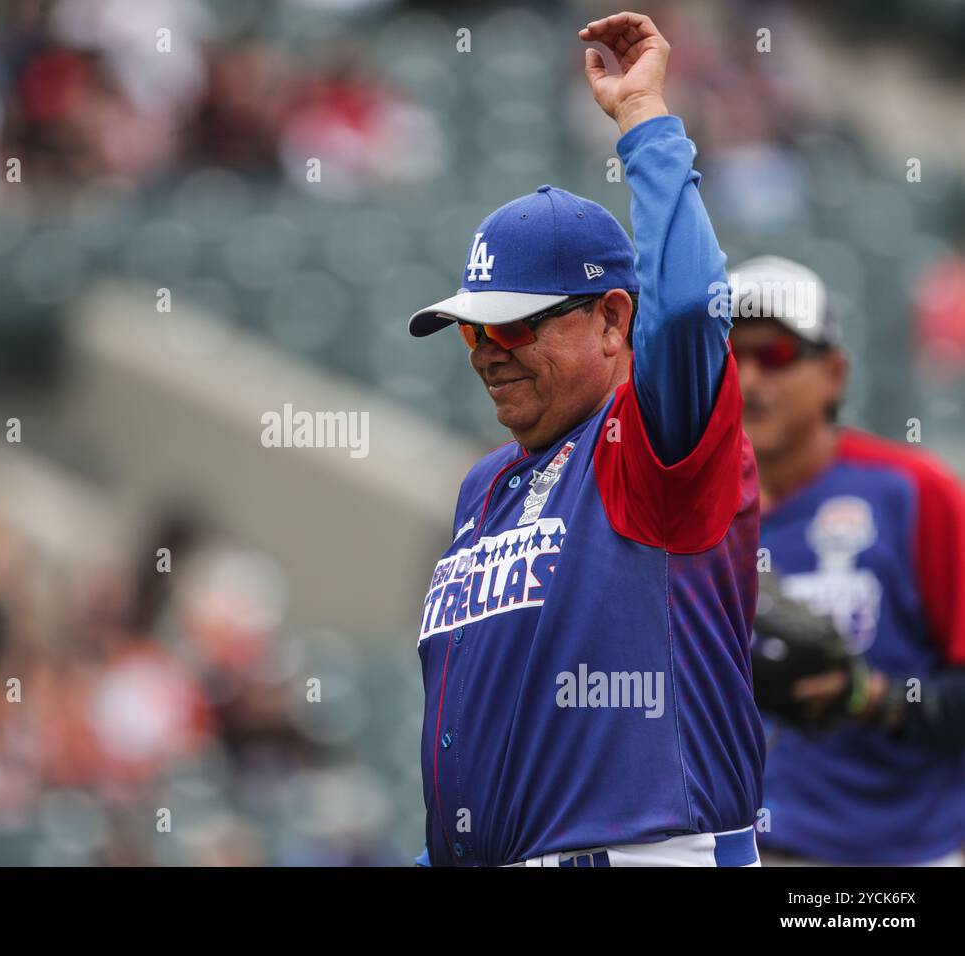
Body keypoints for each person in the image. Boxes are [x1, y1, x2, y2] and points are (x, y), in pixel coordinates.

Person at [408, 12, 762, 867]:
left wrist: (643, 117)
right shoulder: (483, 488)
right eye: (472, 334)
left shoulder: (652, 441)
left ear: (611, 320)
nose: (489, 353)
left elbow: (684, 305)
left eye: (516, 328)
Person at [730, 255, 965, 866]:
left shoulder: (913, 494)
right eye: (732, 357)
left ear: (834, 372)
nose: (750, 381)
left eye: (777, 356)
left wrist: (872, 697)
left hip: (904, 857)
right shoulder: (685, 517)